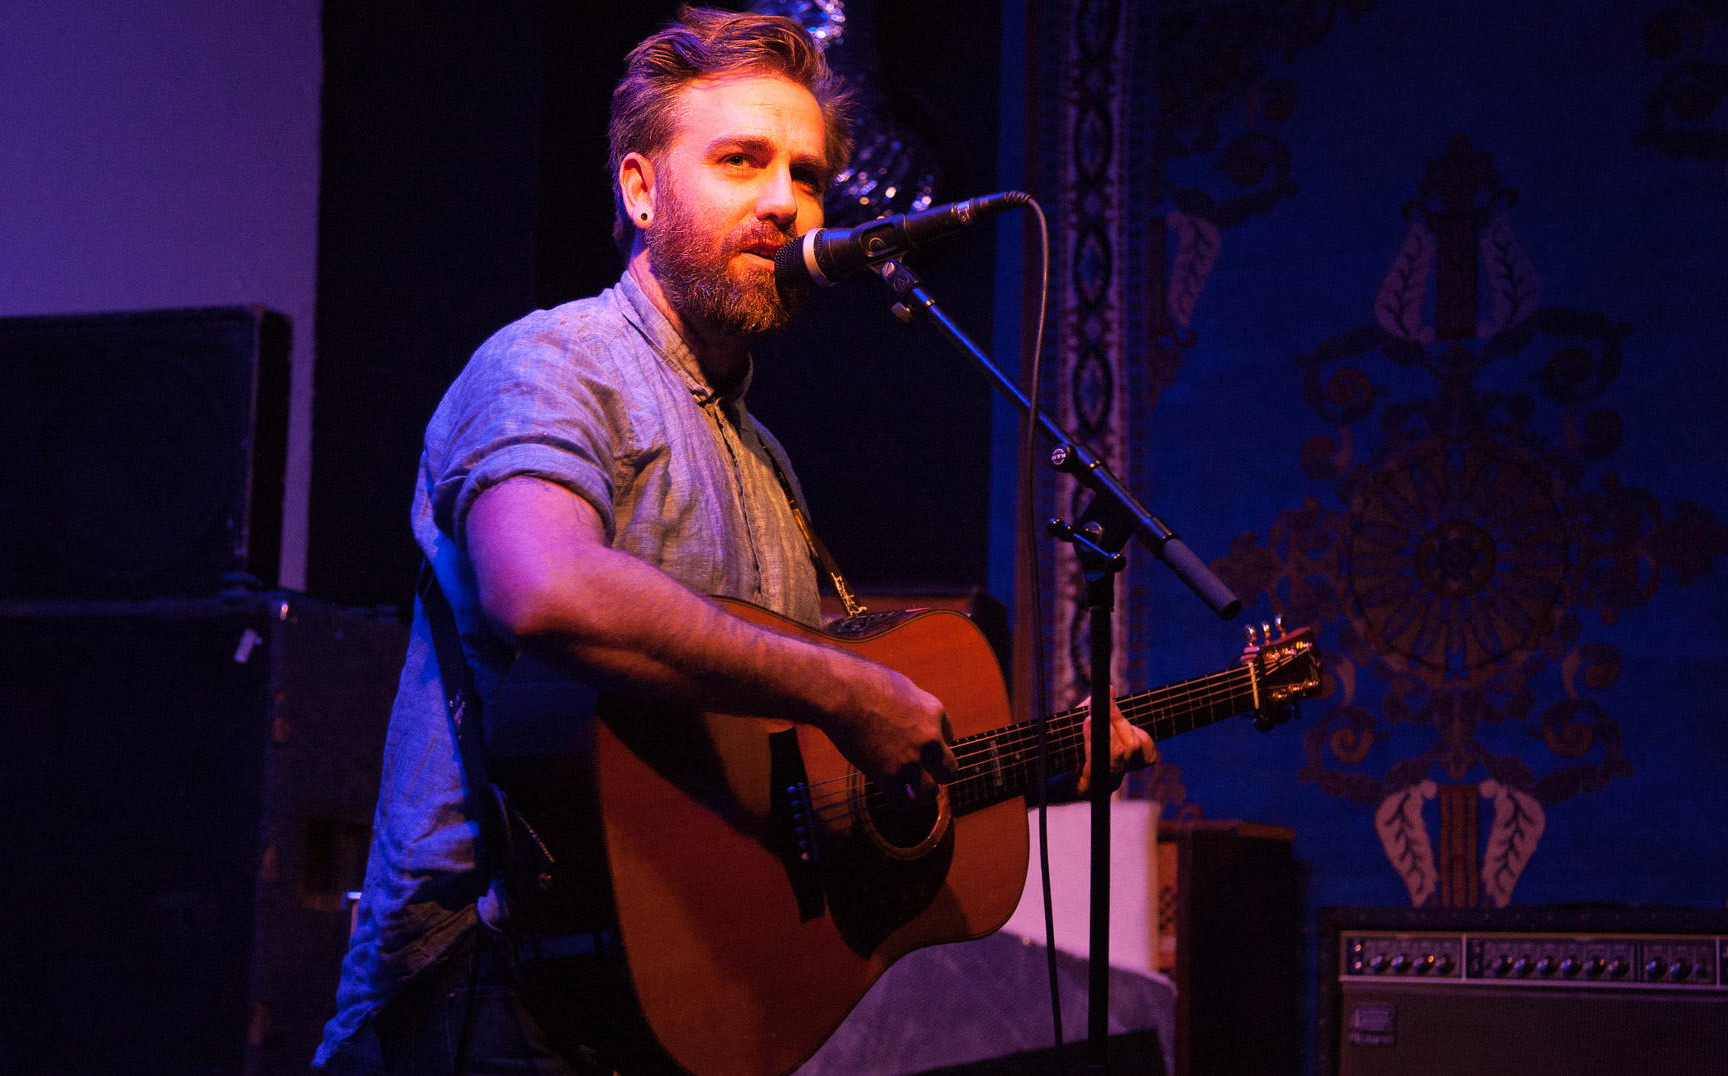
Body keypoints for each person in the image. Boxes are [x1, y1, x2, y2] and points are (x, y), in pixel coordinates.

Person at [315, 10, 1154, 1074]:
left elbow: (793, 773)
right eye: (739, 160)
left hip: (683, 1000)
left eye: (804, 175)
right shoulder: (551, 362)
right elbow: (545, 589)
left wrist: (1007, 764)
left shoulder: (766, 461)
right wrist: (852, 694)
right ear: (639, 189)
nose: (783, 202)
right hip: (495, 988)